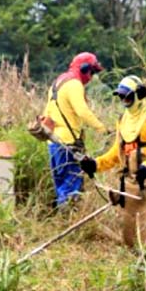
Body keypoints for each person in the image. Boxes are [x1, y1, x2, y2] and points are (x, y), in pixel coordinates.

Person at [80, 75, 146, 247]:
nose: (124, 101)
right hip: (132, 183)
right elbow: (117, 153)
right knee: (131, 231)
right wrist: (96, 164)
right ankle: (136, 260)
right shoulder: (122, 120)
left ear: (140, 95)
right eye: (121, 97)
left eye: (128, 97)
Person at [44, 52, 107, 208]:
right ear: (84, 68)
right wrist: (102, 128)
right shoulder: (74, 84)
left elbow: (47, 113)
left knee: (61, 186)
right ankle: (70, 220)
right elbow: (82, 111)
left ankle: (62, 220)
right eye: (91, 71)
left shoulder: (57, 83)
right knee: (72, 185)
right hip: (68, 144)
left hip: (53, 142)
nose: (91, 77)